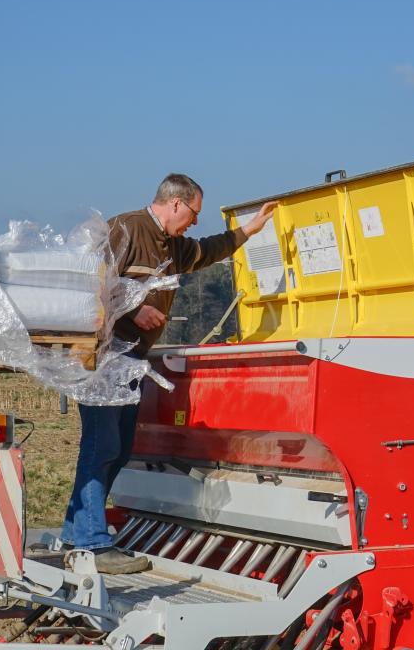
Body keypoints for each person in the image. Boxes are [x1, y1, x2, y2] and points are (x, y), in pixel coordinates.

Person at [58, 173, 277, 570]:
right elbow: (91, 282)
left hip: (133, 360)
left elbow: (208, 250)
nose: (195, 222)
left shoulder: (173, 245)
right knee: (101, 445)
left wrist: (249, 229)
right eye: (194, 213)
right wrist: (133, 309)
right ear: (176, 203)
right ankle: (91, 543)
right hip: (103, 358)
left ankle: (76, 530)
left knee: (120, 448)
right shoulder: (125, 229)